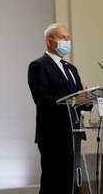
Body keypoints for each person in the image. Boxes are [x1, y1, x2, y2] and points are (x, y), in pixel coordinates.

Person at [28, 23, 91, 194]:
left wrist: (89, 98)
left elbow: (79, 98)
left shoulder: (71, 68)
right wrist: (74, 100)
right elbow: (42, 99)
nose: (67, 41)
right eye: (63, 38)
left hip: (74, 135)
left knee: (73, 183)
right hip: (53, 136)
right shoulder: (38, 66)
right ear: (49, 42)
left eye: (68, 38)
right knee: (54, 184)